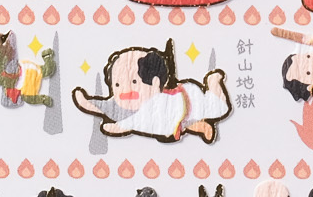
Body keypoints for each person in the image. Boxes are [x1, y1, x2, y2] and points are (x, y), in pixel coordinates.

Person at [71, 42, 233, 143]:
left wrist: (120, 127)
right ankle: (201, 126)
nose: (123, 91)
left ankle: (213, 83)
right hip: (178, 121)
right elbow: (110, 106)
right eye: (117, 85)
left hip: (191, 101)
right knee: (113, 108)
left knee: (218, 108)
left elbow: (137, 122)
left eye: (134, 82)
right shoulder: (127, 102)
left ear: (155, 83)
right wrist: (88, 103)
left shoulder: (154, 104)